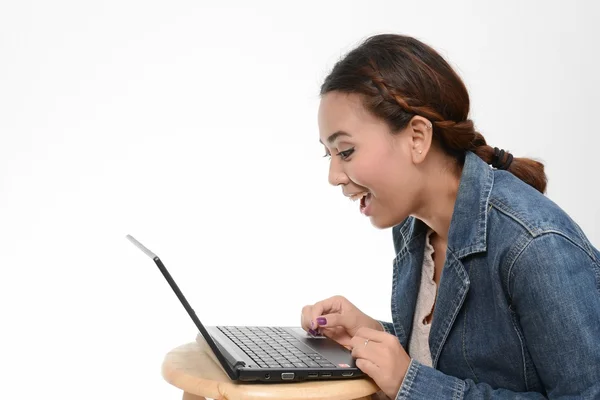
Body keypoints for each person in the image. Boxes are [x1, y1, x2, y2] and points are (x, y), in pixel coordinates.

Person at [301, 34, 600, 399]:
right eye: (327, 154)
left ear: (416, 137)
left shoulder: (534, 246)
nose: (334, 177)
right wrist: (371, 335)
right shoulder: (414, 227)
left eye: (345, 151)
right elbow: (460, 359)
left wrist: (411, 383)